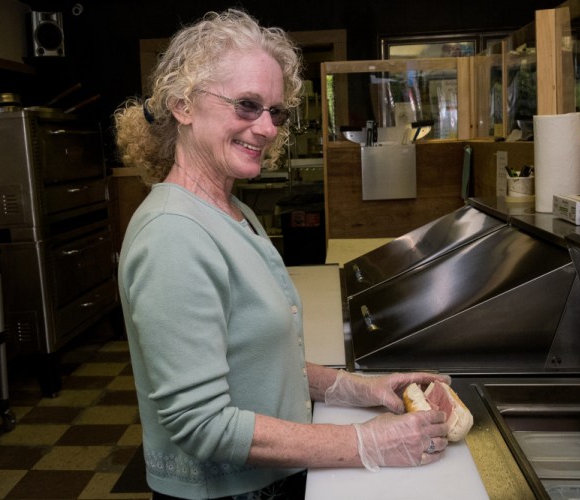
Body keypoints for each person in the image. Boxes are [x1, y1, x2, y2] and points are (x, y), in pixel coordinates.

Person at [113, 9, 452, 500]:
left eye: (276, 111)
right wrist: (366, 442)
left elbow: (261, 363)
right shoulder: (172, 233)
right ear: (183, 105)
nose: (267, 128)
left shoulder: (230, 211)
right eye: (247, 105)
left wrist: (365, 389)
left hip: (271, 479)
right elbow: (201, 424)